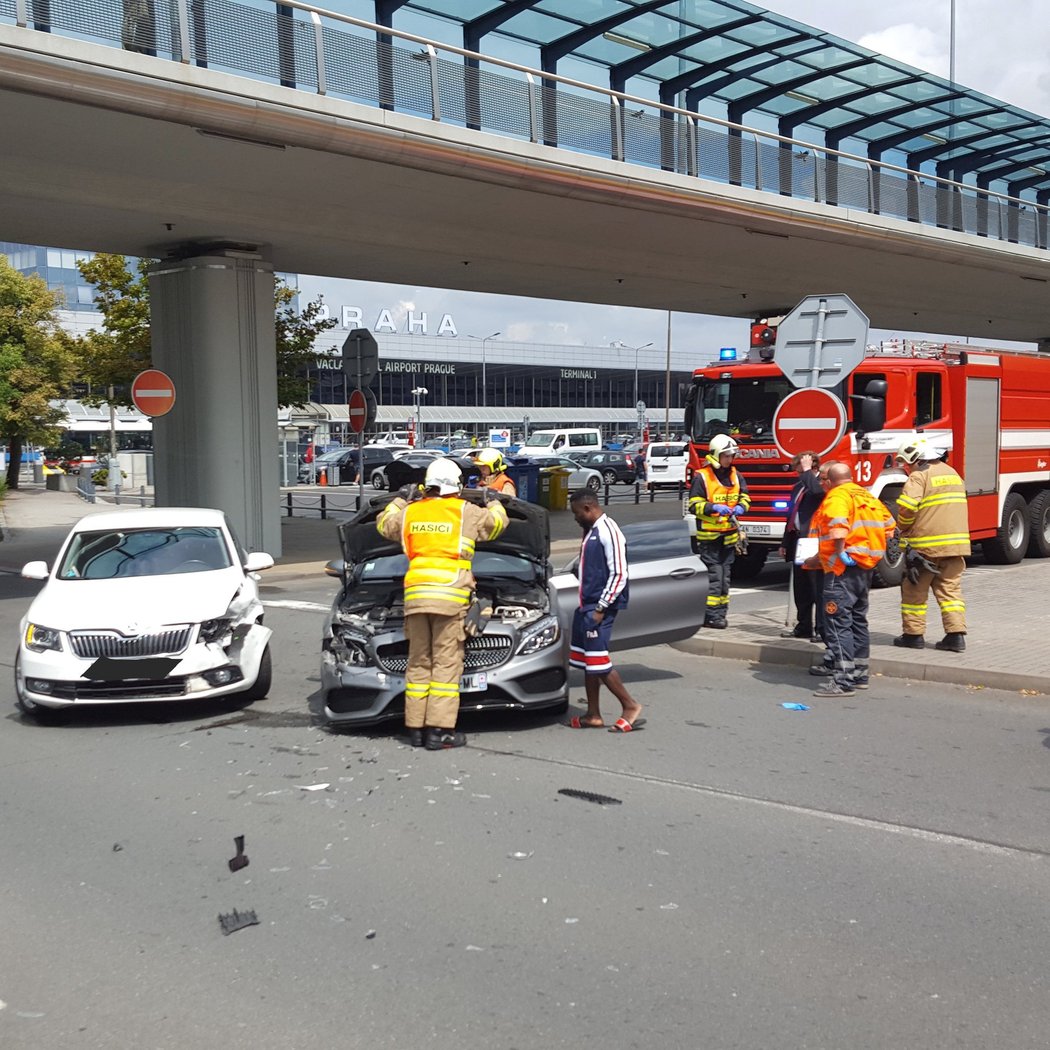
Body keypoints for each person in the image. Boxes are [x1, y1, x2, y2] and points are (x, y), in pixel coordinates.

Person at [376, 458, 508, 749]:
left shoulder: (410, 512)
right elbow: (498, 524)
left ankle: (416, 729)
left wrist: (399, 500)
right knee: (446, 667)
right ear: (457, 486)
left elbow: (384, 524)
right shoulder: (466, 511)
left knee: (419, 663)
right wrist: (494, 500)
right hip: (450, 598)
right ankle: (439, 731)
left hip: (416, 597)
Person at [802, 462, 896, 697]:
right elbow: (889, 526)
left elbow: (838, 526)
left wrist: (840, 551)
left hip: (840, 569)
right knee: (857, 621)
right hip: (863, 569)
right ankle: (860, 674)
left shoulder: (837, 497)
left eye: (823, 480)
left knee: (837, 623)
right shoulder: (867, 496)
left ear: (830, 480)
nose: (822, 485)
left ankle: (843, 681)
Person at [565, 489, 644, 733]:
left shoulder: (609, 531)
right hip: (586, 606)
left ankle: (630, 706)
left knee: (599, 661)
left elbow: (620, 573)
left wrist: (601, 607)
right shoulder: (591, 531)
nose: (575, 518)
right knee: (589, 661)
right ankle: (593, 714)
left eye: (576, 513)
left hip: (599, 607)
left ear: (588, 509)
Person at [892, 437, 971, 652]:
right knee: (950, 592)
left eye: (908, 463)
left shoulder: (919, 476)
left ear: (916, 458)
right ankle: (955, 637)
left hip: (925, 548)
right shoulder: (953, 474)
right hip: (955, 546)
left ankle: (913, 635)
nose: (907, 468)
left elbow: (907, 508)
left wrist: (903, 528)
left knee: (914, 591)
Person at [687, 433, 751, 629]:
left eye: (731, 456)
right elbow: (693, 505)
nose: (730, 459)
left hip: (729, 536)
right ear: (716, 455)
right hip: (710, 537)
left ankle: (720, 613)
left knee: (724, 577)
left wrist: (741, 506)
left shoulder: (736, 475)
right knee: (715, 577)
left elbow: (745, 497)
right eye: (726, 455)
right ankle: (711, 615)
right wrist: (713, 508)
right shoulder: (702, 477)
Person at [779, 451, 824, 640]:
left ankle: (822, 629)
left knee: (817, 587)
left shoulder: (820, 482)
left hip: (813, 540)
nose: (798, 474)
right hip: (798, 540)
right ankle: (804, 626)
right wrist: (785, 542)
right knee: (801, 587)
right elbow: (791, 515)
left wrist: (807, 472)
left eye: (800, 470)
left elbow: (817, 493)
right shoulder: (798, 486)